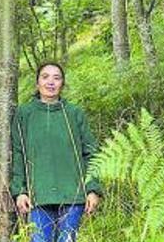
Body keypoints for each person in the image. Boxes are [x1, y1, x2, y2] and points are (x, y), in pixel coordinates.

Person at [10, 62, 102, 242]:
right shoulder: (24, 114)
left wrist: (92, 189)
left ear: (62, 84)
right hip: (38, 197)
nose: (51, 82)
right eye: (45, 77)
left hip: (73, 195)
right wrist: (20, 191)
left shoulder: (74, 113)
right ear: (37, 83)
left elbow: (91, 154)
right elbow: (18, 154)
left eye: (56, 77)